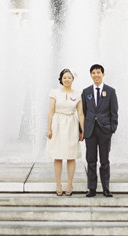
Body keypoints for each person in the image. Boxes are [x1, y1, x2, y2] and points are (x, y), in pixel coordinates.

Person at [46, 68, 85, 196]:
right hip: (57, 124)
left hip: (71, 125)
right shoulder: (55, 92)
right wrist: (49, 128)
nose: (67, 80)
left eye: (69, 77)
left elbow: (80, 113)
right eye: (64, 77)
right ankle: (58, 184)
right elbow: (50, 111)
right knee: (57, 155)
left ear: (73, 79)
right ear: (61, 79)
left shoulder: (78, 94)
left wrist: (83, 130)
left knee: (71, 155)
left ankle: (69, 183)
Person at [81, 64, 118, 197]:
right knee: (91, 160)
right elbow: (83, 112)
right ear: (91, 75)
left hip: (105, 131)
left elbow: (114, 111)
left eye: (98, 72)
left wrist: (112, 128)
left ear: (103, 74)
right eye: (93, 73)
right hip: (90, 130)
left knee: (104, 161)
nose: (96, 75)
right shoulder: (86, 92)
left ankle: (106, 188)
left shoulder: (110, 91)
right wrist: (82, 130)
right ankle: (92, 188)